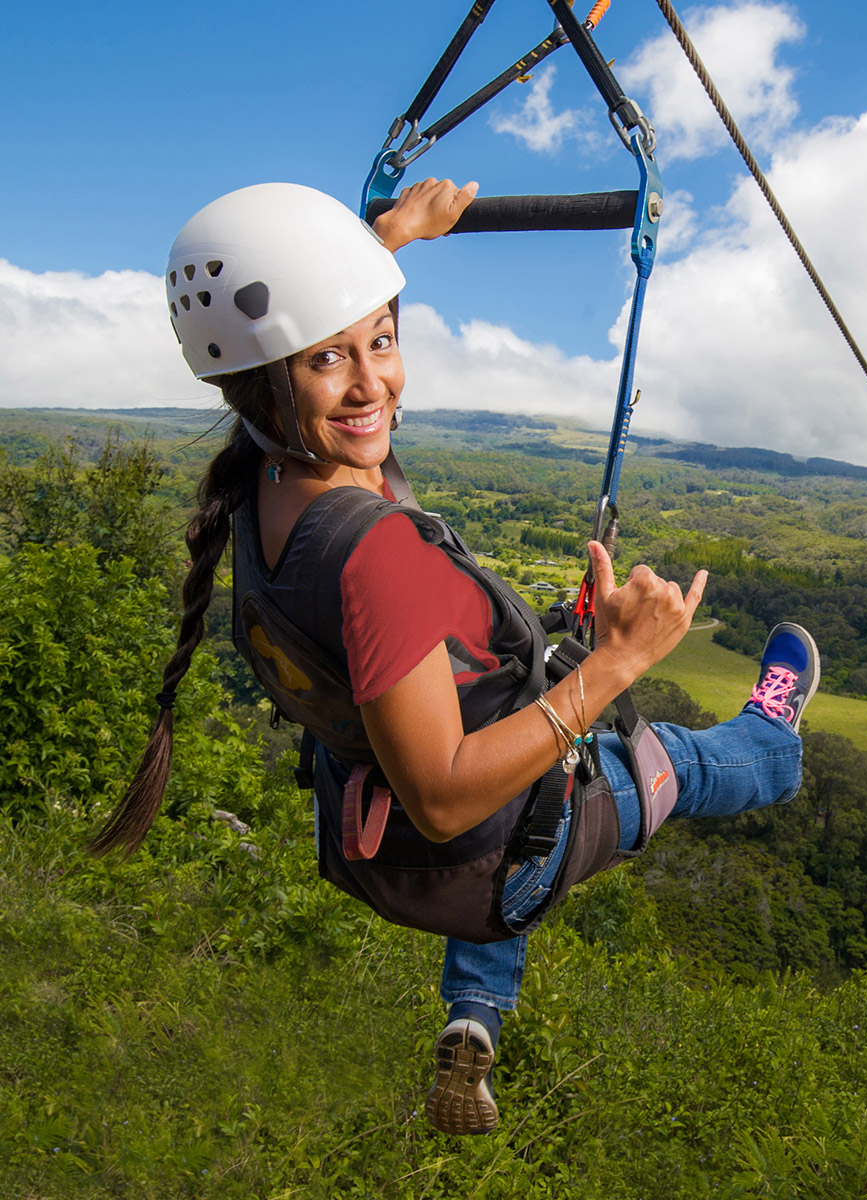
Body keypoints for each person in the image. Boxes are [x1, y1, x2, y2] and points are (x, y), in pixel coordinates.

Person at [91, 178, 820, 1136]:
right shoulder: (375, 556)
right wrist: (619, 664)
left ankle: (474, 1012)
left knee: (518, 759)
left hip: (388, 855)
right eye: (328, 360)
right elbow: (442, 791)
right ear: (267, 381)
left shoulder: (267, 492)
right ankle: (774, 739)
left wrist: (384, 240)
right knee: (666, 759)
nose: (372, 384)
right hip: (476, 841)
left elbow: (325, 371)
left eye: (381, 342)